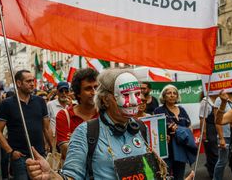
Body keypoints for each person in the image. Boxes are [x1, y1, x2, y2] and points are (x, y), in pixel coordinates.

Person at [26, 69, 171, 179]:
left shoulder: (140, 127)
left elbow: (152, 172)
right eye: (125, 95)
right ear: (106, 99)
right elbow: (71, 176)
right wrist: (51, 175)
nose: (133, 101)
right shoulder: (85, 132)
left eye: (137, 94)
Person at [0, 69, 53, 180]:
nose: (32, 83)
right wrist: (11, 152)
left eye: (33, 81)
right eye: (28, 81)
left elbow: (46, 128)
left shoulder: (40, 101)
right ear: (19, 83)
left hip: (39, 155)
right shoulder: (7, 104)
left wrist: (52, 147)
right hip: (20, 157)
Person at [55, 68, 99, 161]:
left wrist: (76, 139)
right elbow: (67, 151)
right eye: (88, 88)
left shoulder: (105, 113)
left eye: (96, 87)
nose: (94, 92)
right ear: (78, 93)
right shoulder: (64, 115)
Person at [154, 84, 194, 180]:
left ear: (177, 96)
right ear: (164, 96)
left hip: (181, 149)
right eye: (169, 93)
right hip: (166, 150)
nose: (172, 95)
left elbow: (189, 127)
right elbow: (155, 129)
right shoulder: (158, 110)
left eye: (174, 93)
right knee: (164, 176)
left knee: (179, 176)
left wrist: (182, 131)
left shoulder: (182, 110)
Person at [213, 92, 232, 180]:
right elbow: (217, 121)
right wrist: (221, 138)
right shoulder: (219, 99)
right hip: (225, 136)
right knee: (222, 161)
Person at [198, 94, 218, 179]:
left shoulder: (220, 99)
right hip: (210, 129)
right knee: (213, 153)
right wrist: (204, 134)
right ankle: (213, 174)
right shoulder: (205, 101)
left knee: (217, 153)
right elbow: (202, 119)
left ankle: (212, 169)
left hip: (218, 128)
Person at [47, 81, 70, 148]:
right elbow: (46, 125)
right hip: (54, 141)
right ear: (57, 92)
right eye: (61, 91)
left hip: (68, 141)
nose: (64, 93)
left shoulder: (72, 106)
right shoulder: (50, 105)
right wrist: (48, 144)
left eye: (66, 91)